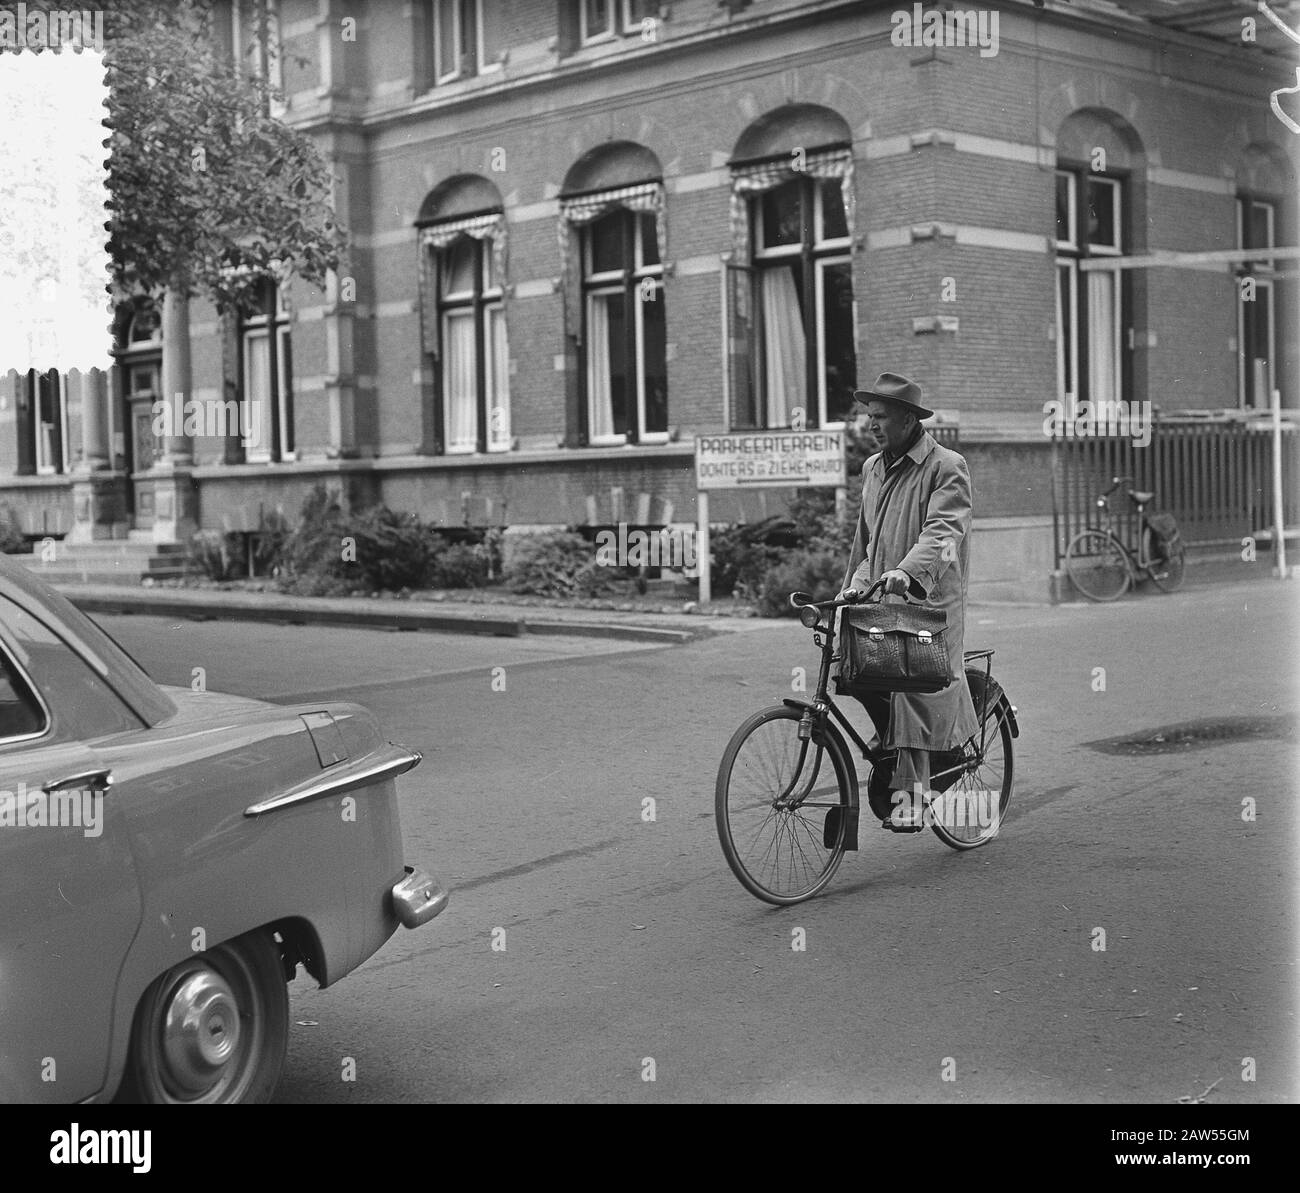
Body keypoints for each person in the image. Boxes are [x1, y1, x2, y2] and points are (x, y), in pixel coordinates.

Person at [837, 372, 978, 831]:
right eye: (869, 417)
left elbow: (943, 533)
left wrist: (906, 572)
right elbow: (867, 539)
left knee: (912, 689)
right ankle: (895, 750)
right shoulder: (873, 468)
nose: (871, 425)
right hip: (883, 596)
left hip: (928, 600)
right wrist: (857, 583)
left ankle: (913, 799)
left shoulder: (945, 465)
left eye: (880, 417)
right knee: (855, 673)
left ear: (907, 418)